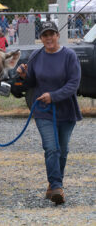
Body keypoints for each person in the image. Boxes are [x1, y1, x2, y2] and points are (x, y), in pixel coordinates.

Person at [16, 21, 82, 205]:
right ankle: (57, 187)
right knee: (51, 148)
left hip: (66, 112)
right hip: (43, 111)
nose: (49, 38)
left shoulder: (69, 56)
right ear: (41, 38)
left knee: (62, 151)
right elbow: (30, 82)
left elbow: (73, 84)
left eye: (52, 34)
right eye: (45, 35)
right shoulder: (36, 56)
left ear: (58, 35)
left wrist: (53, 96)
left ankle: (53, 185)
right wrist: (23, 76)